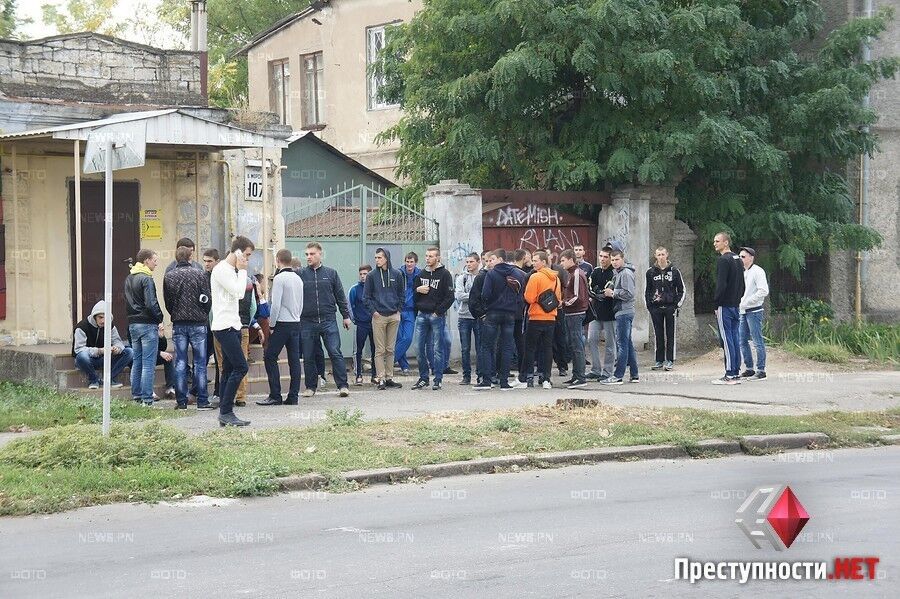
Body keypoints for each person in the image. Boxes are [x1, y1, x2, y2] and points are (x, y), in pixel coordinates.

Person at [297, 242, 352, 397]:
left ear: (320, 254)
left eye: (312, 254)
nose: (309, 257)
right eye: (307, 254)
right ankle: (310, 387)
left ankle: (342, 386)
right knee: (308, 355)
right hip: (307, 321)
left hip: (328, 320)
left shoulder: (331, 273)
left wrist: (346, 316)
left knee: (335, 352)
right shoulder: (301, 274)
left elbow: (340, 297)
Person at [211, 235, 254, 426]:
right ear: (237, 252)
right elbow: (238, 293)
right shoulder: (222, 270)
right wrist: (243, 271)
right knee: (241, 367)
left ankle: (225, 413)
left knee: (228, 370)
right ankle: (226, 412)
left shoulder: (230, 269)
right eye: (246, 254)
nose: (247, 259)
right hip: (224, 326)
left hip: (234, 325)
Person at [163, 245, 213, 410]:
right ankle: (202, 400)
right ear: (190, 257)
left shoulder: (169, 276)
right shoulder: (200, 274)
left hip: (179, 323)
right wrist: (203, 314)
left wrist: (175, 313)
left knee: (181, 362)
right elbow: (207, 298)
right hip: (198, 322)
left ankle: (181, 401)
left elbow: (167, 302)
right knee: (200, 362)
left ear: (176, 258)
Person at [257, 249, 304, 406]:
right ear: (290, 260)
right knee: (294, 360)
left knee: (270, 356)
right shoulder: (298, 279)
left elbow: (276, 305)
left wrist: (271, 325)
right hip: (296, 322)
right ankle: (293, 396)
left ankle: (275, 394)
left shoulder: (279, 278)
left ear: (277, 260)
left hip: (282, 323)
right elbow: (301, 303)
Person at [475, 249, 526, 391]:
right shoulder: (517, 273)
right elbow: (522, 294)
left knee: (487, 346)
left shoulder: (491, 274)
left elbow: (485, 294)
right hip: (510, 314)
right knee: (507, 347)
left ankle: (487, 380)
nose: (490, 262)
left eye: (492, 259)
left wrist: (488, 305)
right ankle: (504, 381)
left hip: (493, 313)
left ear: (500, 259)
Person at [411, 247, 455, 391]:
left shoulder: (445, 274)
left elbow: (450, 297)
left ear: (438, 258)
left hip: (436, 316)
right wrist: (417, 290)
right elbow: (414, 293)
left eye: (431, 256)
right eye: (426, 256)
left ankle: (438, 378)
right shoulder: (421, 274)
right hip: (422, 315)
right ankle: (423, 378)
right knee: (418, 347)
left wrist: (438, 312)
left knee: (437, 348)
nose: (428, 258)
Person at [124, 249, 164, 406]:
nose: (156, 262)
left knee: (137, 360)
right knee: (148, 363)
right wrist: (159, 317)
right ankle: (147, 399)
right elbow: (151, 303)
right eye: (154, 259)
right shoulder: (146, 278)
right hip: (147, 323)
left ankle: (137, 395)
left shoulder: (129, 277)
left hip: (133, 323)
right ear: (146, 261)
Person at [364, 248, 406, 390]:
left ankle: (389, 377)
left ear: (386, 258)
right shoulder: (371, 276)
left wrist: (399, 310)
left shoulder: (397, 274)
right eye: (375, 257)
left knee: (390, 349)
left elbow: (402, 294)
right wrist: (374, 312)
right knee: (380, 349)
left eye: (380, 257)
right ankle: (380, 378)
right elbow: (366, 297)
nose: (377, 260)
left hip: (394, 315)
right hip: (379, 316)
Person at [520, 250, 561, 389]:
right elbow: (558, 299)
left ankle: (529, 376)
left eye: (536, 260)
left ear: (544, 262)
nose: (533, 262)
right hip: (551, 317)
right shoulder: (555, 278)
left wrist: (535, 298)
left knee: (530, 348)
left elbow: (529, 298)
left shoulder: (535, 277)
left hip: (536, 316)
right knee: (547, 348)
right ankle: (546, 378)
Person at [72, 300, 133, 389]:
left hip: (104, 359)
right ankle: (93, 380)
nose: (103, 321)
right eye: (100, 317)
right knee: (82, 356)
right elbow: (79, 349)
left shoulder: (110, 325)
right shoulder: (81, 327)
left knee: (129, 352)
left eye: (106, 318)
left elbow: (118, 341)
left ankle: (109, 379)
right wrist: (99, 351)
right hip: (88, 360)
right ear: (94, 317)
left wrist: (117, 348)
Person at [600, 249, 640, 385]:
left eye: (617, 259)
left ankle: (618, 376)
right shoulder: (617, 273)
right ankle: (634, 374)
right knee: (627, 343)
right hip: (621, 311)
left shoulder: (626, 273)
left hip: (624, 311)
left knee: (622, 344)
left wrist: (613, 293)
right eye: (613, 260)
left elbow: (629, 293)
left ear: (622, 259)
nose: (614, 262)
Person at [712, 232, 745, 385]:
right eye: (714, 241)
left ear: (726, 243)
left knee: (726, 340)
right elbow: (742, 285)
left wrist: (716, 303)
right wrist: (737, 299)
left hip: (725, 305)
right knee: (734, 338)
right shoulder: (738, 259)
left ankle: (730, 374)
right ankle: (736, 372)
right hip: (735, 304)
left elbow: (721, 285)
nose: (715, 244)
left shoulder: (723, 260)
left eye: (717, 241)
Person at [645, 247, 685, 371]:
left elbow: (682, 289)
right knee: (658, 334)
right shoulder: (650, 272)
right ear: (655, 256)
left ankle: (670, 360)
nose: (661, 257)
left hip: (670, 307)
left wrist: (676, 305)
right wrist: (649, 306)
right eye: (658, 254)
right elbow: (647, 290)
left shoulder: (674, 271)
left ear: (667, 255)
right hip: (656, 308)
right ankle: (659, 360)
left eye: (663, 254)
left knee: (670, 334)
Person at [558, 250, 589, 389]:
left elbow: (577, 296)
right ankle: (576, 375)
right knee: (573, 344)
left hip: (576, 313)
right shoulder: (572, 273)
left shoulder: (576, 274)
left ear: (571, 259)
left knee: (577, 346)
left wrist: (563, 303)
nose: (561, 263)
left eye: (563, 260)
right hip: (571, 313)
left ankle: (581, 377)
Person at [587, 246, 617, 381]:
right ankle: (595, 369)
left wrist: (600, 292)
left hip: (610, 313)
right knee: (591, 340)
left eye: (606, 257)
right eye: (601, 256)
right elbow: (590, 288)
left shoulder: (614, 273)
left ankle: (608, 371)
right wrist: (597, 293)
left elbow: (608, 290)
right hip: (596, 313)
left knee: (610, 344)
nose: (602, 259)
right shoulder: (595, 271)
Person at [738, 247, 769, 381]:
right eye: (740, 256)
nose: (741, 259)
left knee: (757, 341)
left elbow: (763, 291)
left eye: (743, 257)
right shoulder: (741, 272)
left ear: (751, 258)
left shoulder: (758, 271)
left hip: (754, 310)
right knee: (742, 340)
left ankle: (761, 370)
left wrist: (748, 302)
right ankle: (749, 368)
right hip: (743, 311)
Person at [455, 253, 480, 385]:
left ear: (478, 262)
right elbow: (459, 296)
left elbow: (485, 294)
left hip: (478, 317)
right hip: (464, 316)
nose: (469, 264)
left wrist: (470, 295)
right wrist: (475, 295)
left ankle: (480, 375)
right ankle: (466, 376)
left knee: (480, 347)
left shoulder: (482, 276)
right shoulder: (462, 278)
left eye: (471, 262)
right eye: (467, 262)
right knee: (465, 348)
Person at [350, 264, 377, 385]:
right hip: (360, 324)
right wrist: (354, 319)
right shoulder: (354, 289)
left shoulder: (376, 289)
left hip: (375, 323)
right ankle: (358, 375)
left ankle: (375, 375)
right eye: (361, 274)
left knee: (376, 349)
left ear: (370, 275)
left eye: (365, 274)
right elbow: (349, 305)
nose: (362, 276)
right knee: (358, 350)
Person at [394, 252, 420, 375]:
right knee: (399, 338)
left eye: (412, 262)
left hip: (410, 311)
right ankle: (404, 366)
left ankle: (387, 362)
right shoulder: (398, 273)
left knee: (407, 338)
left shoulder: (419, 274)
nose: (409, 264)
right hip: (398, 310)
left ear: (416, 263)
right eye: (407, 261)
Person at [202, 249, 221, 403]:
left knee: (219, 359)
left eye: (209, 261)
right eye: (205, 261)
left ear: (217, 261)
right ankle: (200, 391)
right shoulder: (203, 277)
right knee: (201, 358)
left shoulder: (220, 276)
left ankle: (218, 391)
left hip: (218, 323)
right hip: (204, 323)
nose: (207, 264)